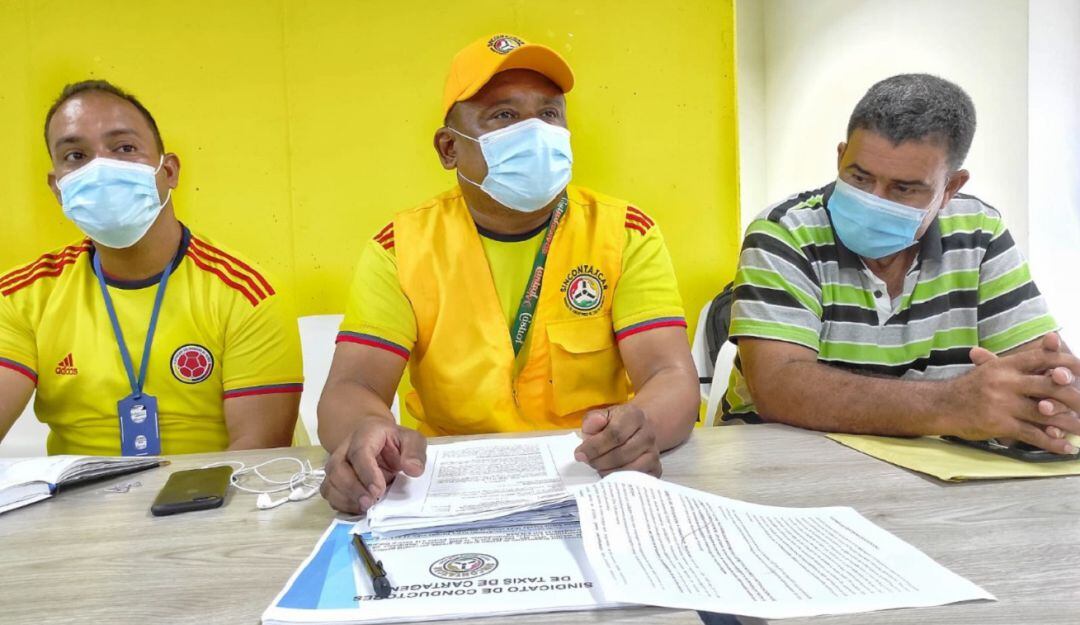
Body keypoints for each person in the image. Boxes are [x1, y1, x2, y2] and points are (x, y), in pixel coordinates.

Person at [318, 34, 699, 514]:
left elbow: (671, 376)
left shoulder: (624, 233)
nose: (535, 131)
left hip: (592, 472)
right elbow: (352, 388)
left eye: (549, 113)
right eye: (504, 115)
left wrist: (642, 425)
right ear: (449, 149)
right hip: (450, 486)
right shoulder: (401, 247)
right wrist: (368, 432)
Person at [723, 73, 1080, 455]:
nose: (874, 199)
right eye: (859, 177)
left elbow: (1033, 374)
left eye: (903, 188)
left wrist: (1046, 397)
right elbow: (779, 388)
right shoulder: (784, 232)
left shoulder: (979, 231)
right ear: (840, 157)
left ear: (950, 188)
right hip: (789, 464)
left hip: (939, 469)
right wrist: (952, 405)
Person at [0, 80, 304, 455]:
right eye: (76, 156)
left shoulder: (245, 293)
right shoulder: (19, 296)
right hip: (76, 492)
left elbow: (256, 458)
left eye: (125, 148)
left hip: (215, 488)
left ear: (169, 171)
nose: (101, 169)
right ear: (57, 187)